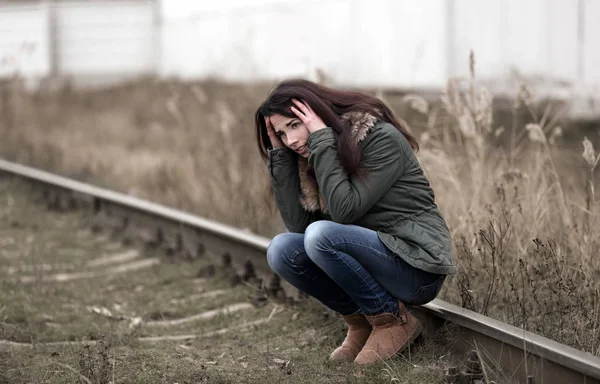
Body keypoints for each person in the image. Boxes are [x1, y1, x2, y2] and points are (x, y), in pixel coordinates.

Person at [254, 79, 455, 365]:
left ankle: (392, 323)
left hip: (415, 267)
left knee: (320, 235)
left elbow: (345, 211)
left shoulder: (380, 139)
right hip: (375, 261)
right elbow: (298, 228)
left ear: (318, 114)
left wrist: (321, 140)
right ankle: (362, 323)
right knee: (282, 249)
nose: (291, 141)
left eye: (295, 125)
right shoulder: (310, 154)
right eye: (282, 134)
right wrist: (280, 158)